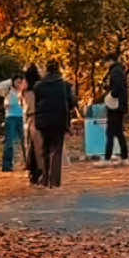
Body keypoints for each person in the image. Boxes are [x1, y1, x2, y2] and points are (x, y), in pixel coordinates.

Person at [33, 59, 74, 188]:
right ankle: (55, 181)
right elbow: (71, 103)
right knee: (57, 150)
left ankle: (45, 178)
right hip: (59, 120)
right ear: (59, 69)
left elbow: (36, 103)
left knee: (44, 149)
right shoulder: (65, 85)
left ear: (46, 69)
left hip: (43, 121)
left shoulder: (38, 86)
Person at [0, 73, 25, 172]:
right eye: (17, 82)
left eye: (20, 82)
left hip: (22, 117)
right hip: (10, 117)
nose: (19, 84)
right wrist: (11, 80)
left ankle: (27, 163)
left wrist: (21, 84)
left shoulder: (23, 91)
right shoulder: (7, 90)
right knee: (9, 142)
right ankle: (7, 166)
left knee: (24, 141)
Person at [104, 50, 129, 162]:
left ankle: (107, 158)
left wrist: (111, 95)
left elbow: (117, 87)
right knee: (118, 132)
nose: (105, 65)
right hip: (120, 105)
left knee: (110, 132)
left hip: (115, 106)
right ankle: (124, 157)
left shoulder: (115, 71)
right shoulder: (119, 70)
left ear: (110, 61)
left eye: (105, 62)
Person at [20, 63, 43, 184]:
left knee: (31, 147)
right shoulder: (41, 87)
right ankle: (41, 171)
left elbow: (22, 102)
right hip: (41, 117)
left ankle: (33, 173)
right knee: (40, 147)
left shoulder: (25, 88)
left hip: (30, 119)